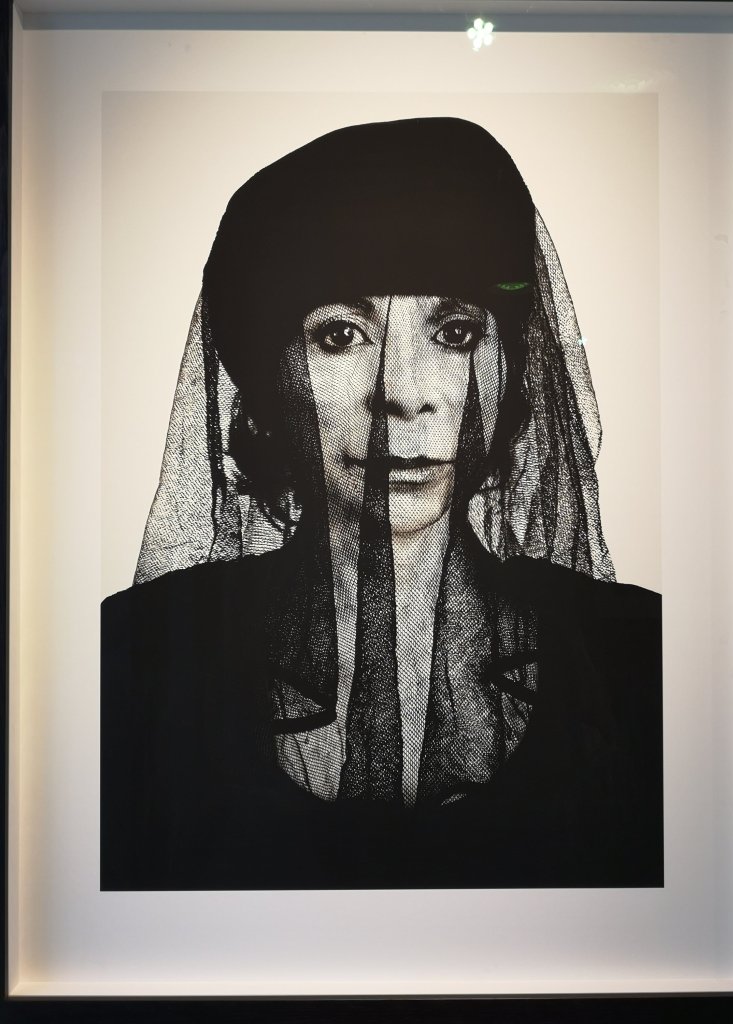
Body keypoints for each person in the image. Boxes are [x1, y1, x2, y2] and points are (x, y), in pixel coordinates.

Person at [101, 118, 662, 890]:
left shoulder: (641, 656)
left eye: (455, 332)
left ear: (511, 372)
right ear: (263, 388)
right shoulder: (136, 657)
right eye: (341, 335)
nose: (404, 394)